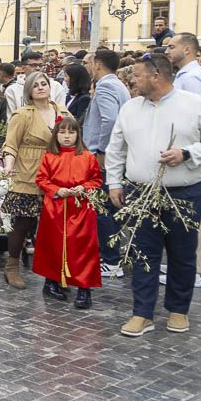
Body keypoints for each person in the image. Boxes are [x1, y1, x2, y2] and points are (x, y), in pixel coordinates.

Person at [106, 56, 201, 337]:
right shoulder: (129, 108)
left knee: (182, 254)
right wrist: (114, 182)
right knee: (142, 254)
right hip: (141, 192)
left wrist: (187, 154)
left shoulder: (196, 105)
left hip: (185, 192)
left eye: (136, 75)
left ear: (157, 75)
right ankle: (142, 313)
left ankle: (178, 310)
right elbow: (116, 149)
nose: (131, 80)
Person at [1, 72, 69, 290]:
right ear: (28, 91)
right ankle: (12, 266)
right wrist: (9, 164)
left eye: (44, 84)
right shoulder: (23, 114)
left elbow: (74, 141)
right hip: (27, 172)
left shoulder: (63, 112)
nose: (41, 88)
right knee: (23, 222)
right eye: (35, 85)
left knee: (54, 225)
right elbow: (11, 144)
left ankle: (54, 270)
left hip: (57, 173)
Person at [33, 116, 102, 309]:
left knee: (82, 247)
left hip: (81, 209)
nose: (66, 136)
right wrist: (55, 190)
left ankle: (84, 288)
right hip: (55, 208)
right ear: (55, 135)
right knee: (53, 244)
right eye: (62, 132)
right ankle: (51, 281)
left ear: (78, 135)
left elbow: (96, 180)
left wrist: (84, 188)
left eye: (71, 132)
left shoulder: (88, 157)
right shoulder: (49, 156)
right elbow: (42, 179)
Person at [84, 49, 132, 279]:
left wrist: (102, 150)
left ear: (97, 65)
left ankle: (111, 259)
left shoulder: (105, 86)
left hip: (105, 155)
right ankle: (112, 255)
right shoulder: (119, 85)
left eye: (89, 63)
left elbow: (110, 119)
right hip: (116, 153)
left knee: (102, 208)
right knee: (110, 207)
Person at [166, 33, 201, 102]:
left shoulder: (191, 77)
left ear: (186, 50)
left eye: (171, 47)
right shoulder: (188, 74)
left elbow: (196, 109)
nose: (166, 51)